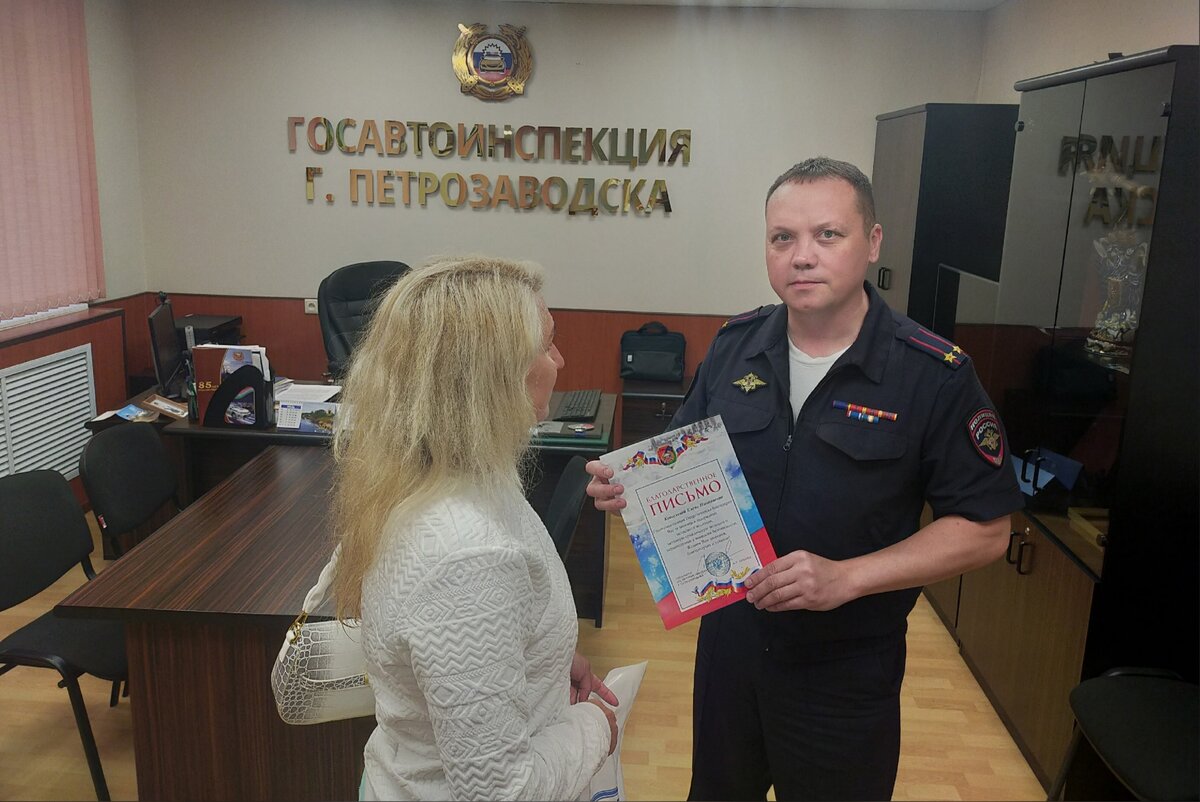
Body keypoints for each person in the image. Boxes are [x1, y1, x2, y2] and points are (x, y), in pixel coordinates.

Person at [587, 158, 1023, 801]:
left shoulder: (931, 374)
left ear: (872, 243)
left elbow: (986, 530)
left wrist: (847, 577)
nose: (802, 256)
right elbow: (676, 462)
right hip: (730, 649)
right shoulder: (735, 346)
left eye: (828, 235)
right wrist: (628, 486)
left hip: (845, 666)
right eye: (782, 237)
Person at [331, 256, 619, 801]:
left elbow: (472, 636)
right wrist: (595, 729)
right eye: (548, 345)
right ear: (496, 376)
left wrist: (547, 660)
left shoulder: (449, 476)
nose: (560, 360)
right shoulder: (466, 554)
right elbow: (501, 793)